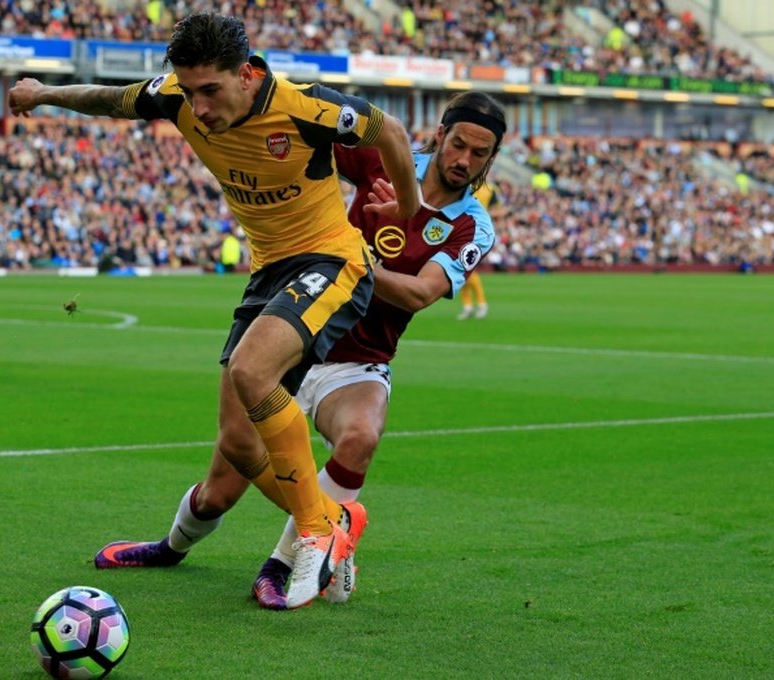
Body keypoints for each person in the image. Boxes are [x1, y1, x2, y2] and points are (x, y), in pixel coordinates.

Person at [8, 12, 420, 609]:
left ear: (249, 74)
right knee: (238, 444)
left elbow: (392, 133)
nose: (197, 108)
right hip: (269, 270)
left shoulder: (306, 107)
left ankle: (314, 531)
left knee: (253, 372)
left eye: (211, 91)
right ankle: (335, 519)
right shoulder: (175, 96)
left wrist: (407, 211)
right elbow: (106, 99)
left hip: (332, 260)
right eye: (189, 91)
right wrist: (45, 93)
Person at [91, 91, 505, 610]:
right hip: (295, 336)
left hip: (355, 361)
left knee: (360, 436)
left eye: (479, 154)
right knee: (219, 489)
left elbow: (420, 293)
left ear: (491, 159)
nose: (464, 160)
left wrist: (349, 262)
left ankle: (282, 564)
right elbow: (317, 133)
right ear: (440, 134)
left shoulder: (472, 225)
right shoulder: (388, 157)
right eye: (459, 144)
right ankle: (174, 547)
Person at [458, 179, 504, 319]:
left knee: (467, 268)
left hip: (479, 230)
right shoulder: (464, 185)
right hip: (462, 228)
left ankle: (480, 304)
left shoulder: (491, 189)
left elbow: (500, 211)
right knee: (461, 268)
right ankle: (468, 306)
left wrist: (483, 214)